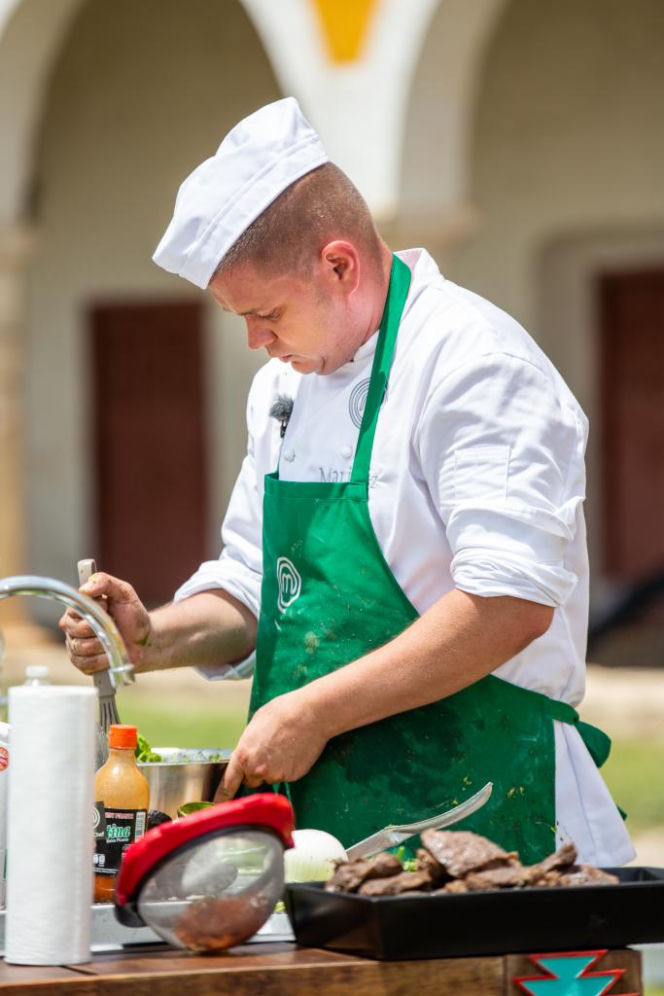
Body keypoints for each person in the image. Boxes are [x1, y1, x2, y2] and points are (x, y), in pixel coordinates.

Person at [61, 97, 633, 865]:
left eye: (266, 312)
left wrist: (314, 713)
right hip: (331, 826)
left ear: (339, 264)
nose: (256, 340)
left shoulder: (476, 365)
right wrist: (151, 637)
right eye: (240, 318)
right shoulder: (282, 388)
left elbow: (509, 604)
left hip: (495, 812)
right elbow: (262, 582)